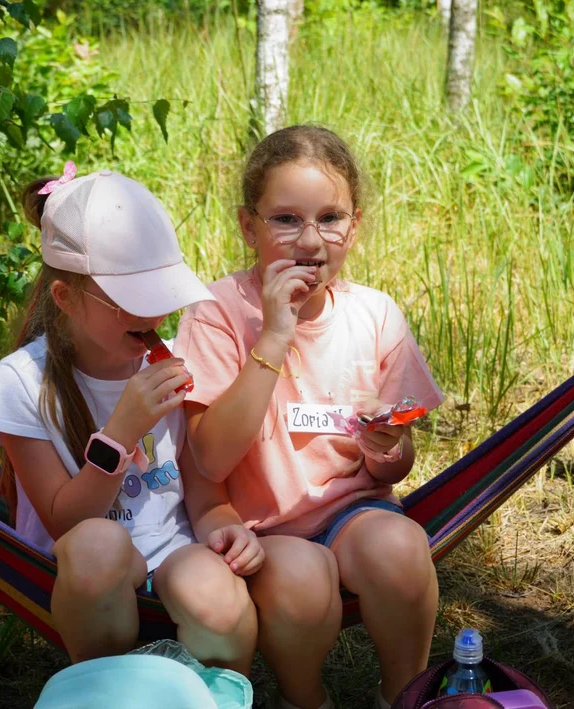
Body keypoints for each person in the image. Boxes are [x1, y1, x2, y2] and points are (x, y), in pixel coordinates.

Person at [175, 126, 446, 709]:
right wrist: (274, 335)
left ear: (355, 225)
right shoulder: (216, 311)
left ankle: (404, 695)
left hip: (354, 510)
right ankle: (307, 700)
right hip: (259, 526)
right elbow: (210, 458)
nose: (310, 239)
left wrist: (387, 443)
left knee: (401, 548)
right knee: (301, 580)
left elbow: (396, 467)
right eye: (285, 219)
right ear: (249, 227)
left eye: (329, 218)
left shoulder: (374, 315)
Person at [0, 164, 263, 674]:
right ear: (65, 299)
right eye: (130, 300)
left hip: (174, 550)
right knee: (98, 546)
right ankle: (105, 689)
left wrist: (226, 527)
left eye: (159, 295)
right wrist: (119, 434)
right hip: (81, 571)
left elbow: (202, 494)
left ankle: (220, 695)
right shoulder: (22, 381)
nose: (151, 316)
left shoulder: (180, 359)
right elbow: (65, 522)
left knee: (220, 604)